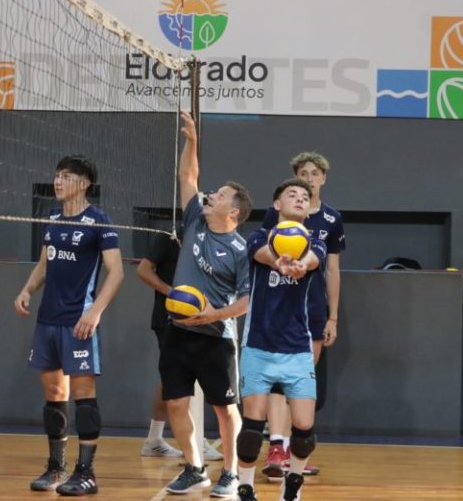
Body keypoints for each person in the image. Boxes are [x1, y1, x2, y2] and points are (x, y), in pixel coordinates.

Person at [14, 155, 124, 496]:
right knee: (53, 394)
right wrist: (26, 289)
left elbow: (116, 272)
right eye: (56, 175)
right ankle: (56, 467)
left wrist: (95, 313)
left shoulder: (98, 220)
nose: (58, 181)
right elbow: (45, 264)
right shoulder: (53, 217)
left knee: (83, 397)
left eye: (66, 176)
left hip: (78, 321)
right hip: (48, 320)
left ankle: (86, 472)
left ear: (83, 183)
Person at [161, 110, 252, 497]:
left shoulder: (240, 249)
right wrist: (193, 142)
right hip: (177, 333)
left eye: (218, 196)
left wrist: (214, 314)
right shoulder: (196, 220)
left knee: (224, 410)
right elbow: (188, 177)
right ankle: (194, 467)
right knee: (177, 405)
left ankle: (229, 473)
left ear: (232, 211)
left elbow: (247, 300)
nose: (209, 194)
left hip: (216, 337)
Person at [236, 178, 326, 501]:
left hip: (297, 349)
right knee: (251, 429)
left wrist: (301, 265)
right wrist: (279, 262)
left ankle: (293, 485)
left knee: (304, 433)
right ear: (277, 205)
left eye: (305, 196)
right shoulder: (259, 236)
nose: (301, 199)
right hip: (258, 347)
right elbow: (262, 255)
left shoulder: (316, 243)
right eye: (292, 195)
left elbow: (314, 261)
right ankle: (245, 487)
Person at [260, 152, 345, 479]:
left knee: (301, 384)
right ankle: (276, 449)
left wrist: (332, 316)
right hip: (280, 310)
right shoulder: (277, 213)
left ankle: (296, 452)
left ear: (323, 178)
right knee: (279, 380)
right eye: (303, 173)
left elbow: (333, 270)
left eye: (314, 173)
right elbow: (263, 256)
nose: (308, 178)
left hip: (313, 310)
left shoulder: (331, 219)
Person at [136, 229, 224, 461]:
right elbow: (143, 270)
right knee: (182, 377)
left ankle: (154, 439)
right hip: (169, 319)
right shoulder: (171, 236)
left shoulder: (213, 242)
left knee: (171, 380)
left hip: (200, 319)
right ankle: (194, 440)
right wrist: (173, 294)